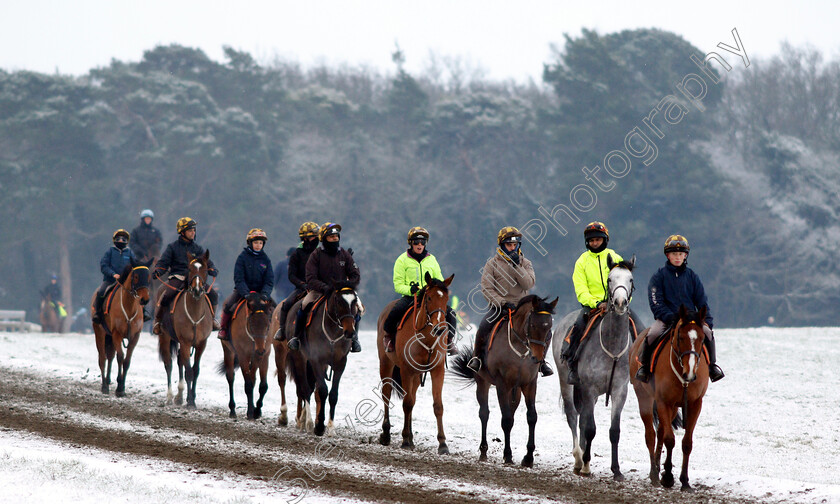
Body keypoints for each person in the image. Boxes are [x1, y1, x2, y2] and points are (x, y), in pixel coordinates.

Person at [560, 221, 642, 385]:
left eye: (598, 239)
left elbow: (626, 284)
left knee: (640, 329)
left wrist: (625, 301)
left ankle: (641, 366)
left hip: (618, 305)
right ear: (587, 242)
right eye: (591, 240)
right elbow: (581, 288)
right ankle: (573, 366)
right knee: (577, 328)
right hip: (592, 306)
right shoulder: (582, 262)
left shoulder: (616, 258)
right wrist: (596, 303)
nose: (595, 243)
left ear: (605, 240)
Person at [635, 235, 725, 383]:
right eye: (674, 254)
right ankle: (645, 367)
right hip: (666, 318)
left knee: (708, 333)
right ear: (667, 255)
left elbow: (702, 301)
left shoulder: (692, 277)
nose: (677, 257)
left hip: (691, 319)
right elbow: (655, 301)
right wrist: (668, 316)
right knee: (652, 334)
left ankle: (712, 367)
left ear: (685, 256)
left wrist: (706, 320)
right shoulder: (659, 276)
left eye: (681, 254)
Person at [467, 227, 552, 376]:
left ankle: (541, 362)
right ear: (501, 245)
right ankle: (477, 358)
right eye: (509, 245)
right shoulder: (491, 264)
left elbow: (528, 284)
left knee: (546, 329)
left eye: (515, 245)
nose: (512, 248)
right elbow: (486, 289)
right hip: (500, 307)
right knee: (484, 326)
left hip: (523, 307)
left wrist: (516, 266)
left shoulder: (526, 263)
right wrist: (502, 302)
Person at [381, 227, 458, 355]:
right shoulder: (402, 260)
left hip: (430, 297)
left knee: (450, 313)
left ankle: (449, 341)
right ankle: (388, 337)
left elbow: (438, 279)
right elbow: (398, 284)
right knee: (396, 310)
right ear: (411, 243)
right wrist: (410, 290)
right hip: (411, 296)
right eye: (416, 242)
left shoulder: (431, 259)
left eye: (423, 242)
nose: (420, 245)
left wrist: (439, 289)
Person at [287, 222, 361, 353]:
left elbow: (355, 274)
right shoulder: (316, 255)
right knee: (304, 305)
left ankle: (354, 339)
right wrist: (324, 287)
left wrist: (347, 285)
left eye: (336, 236)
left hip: (341, 291)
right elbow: (310, 277)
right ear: (324, 238)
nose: (335, 238)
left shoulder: (344, 254)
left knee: (358, 307)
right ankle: (296, 338)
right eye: (331, 236)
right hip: (320, 291)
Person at [152, 217, 220, 335]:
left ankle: (213, 320)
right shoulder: (172, 247)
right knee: (167, 295)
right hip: (177, 277)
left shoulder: (197, 248)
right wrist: (158, 270)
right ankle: (158, 321)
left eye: (194, 230)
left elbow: (206, 261)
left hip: (194, 278)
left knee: (213, 294)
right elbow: (163, 262)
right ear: (182, 232)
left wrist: (212, 268)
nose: (193, 233)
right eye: (190, 231)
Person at [218, 228, 274, 341]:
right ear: (250, 243)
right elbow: (239, 279)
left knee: (275, 308)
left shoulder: (266, 259)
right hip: (243, 292)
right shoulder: (242, 258)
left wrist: (265, 294)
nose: (258, 245)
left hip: (261, 293)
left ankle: (275, 332)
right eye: (256, 242)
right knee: (228, 306)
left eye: (260, 243)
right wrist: (246, 293)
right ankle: (223, 329)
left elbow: (269, 280)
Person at [274, 222, 320, 342]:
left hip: (320, 288)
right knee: (286, 304)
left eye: (317, 236)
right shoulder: (296, 255)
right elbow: (291, 275)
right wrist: (302, 284)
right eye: (313, 236)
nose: (316, 239)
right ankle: (282, 330)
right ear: (305, 238)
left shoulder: (321, 253)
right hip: (301, 288)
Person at [92, 229, 137, 324]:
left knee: (139, 293)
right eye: (118, 238)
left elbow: (135, 266)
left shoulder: (130, 253)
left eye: (123, 239)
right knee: (101, 292)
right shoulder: (110, 251)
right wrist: (113, 274)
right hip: (110, 280)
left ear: (126, 240)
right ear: (115, 240)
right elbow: (104, 266)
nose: (121, 240)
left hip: (126, 282)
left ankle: (143, 313)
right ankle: (98, 313)